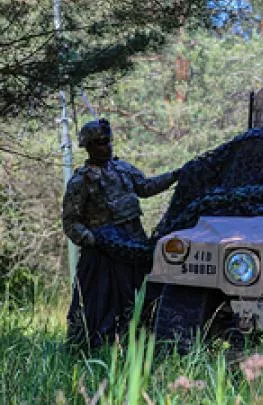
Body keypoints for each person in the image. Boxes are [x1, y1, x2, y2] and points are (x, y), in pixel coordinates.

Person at [62, 118, 178, 349]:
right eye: (99, 142)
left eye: (107, 141)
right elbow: (71, 222)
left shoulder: (123, 169)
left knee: (139, 299)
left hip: (134, 247)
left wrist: (176, 175)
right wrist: (92, 238)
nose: (106, 146)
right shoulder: (81, 180)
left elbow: (146, 187)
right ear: (89, 146)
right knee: (99, 305)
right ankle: (96, 348)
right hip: (102, 257)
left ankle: (139, 346)